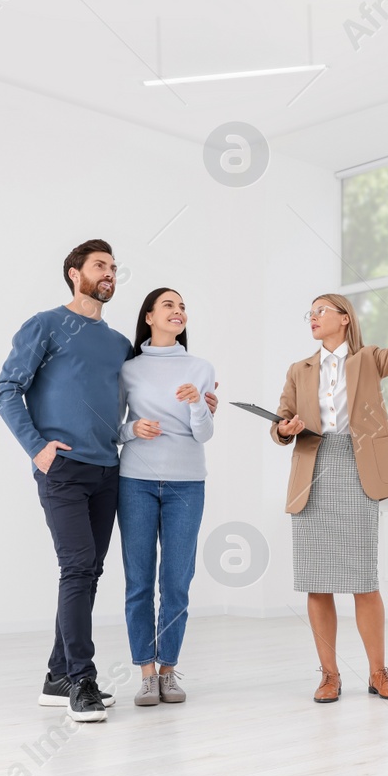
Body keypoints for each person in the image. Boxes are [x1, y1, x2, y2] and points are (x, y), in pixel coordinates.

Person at [0, 241, 216, 724]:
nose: (110, 273)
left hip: (110, 470)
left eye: (114, 267)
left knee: (89, 572)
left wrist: (201, 403)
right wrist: (37, 447)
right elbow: (7, 388)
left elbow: (145, 392)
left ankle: (57, 675)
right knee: (76, 569)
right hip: (63, 468)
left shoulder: (119, 345)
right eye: (100, 266)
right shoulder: (44, 325)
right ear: (75, 274)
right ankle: (81, 679)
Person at [272, 271, 388, 703]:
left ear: (345, 319)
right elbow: (281, 423)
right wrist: (285, 428)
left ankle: (378, 672)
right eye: (310, 313)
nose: (313, 318)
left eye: (321, 311)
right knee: (317, 581)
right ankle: (329, 675)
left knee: (362, 578)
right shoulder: (299, 369)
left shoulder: (368, 359)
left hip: (357, 469)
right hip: (312, 471)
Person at [117, 287, 217, 707]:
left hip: (187, 484)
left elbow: (205, 433)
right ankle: (145, 673)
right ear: (150, 317)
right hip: (136, 480)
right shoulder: (129, 370)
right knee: (139, 582)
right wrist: (131, 431)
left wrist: (198, 404)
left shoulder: (200, 367)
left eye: (182, 307)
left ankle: (169, 671)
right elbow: (112, 428)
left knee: (176, 581)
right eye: (169, 306)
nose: (178, 312)